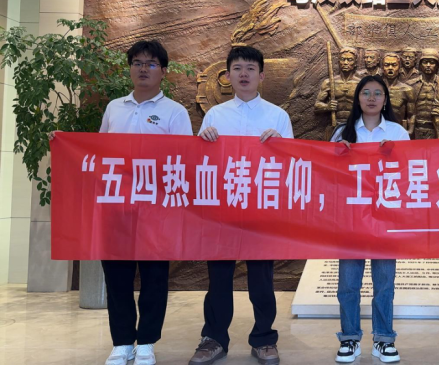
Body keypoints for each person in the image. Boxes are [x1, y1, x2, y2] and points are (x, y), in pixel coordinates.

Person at [49, 40, 192, 366]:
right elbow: (98, 153)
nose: (143, 69)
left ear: (163, 71)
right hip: (116, 207)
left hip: (156, 209)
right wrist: (64, 143)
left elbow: (184, 158)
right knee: (117, 276)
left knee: (155, 277)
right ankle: (123, 342)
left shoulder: (174, 112)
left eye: (151, 64)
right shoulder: (115, 108)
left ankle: (147, 342)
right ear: (129, 69)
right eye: (137, 63)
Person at [189, 46, 293, 366]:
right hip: (223, 208)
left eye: (250, 68)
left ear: (261, 76)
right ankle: (214, 339)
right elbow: (201, 164)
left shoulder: (278, 116)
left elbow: (293, 165)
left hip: (261, 208)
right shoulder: (215, 116)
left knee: (261, 278)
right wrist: (202, 140)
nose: (244, 74)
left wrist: (281, 146)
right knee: (219, 277)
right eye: (237, 68)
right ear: (228, 75)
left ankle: (264, 339)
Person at [331, 75, 410, 364]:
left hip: (385, 218)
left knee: (384, 283)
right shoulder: (343, 132)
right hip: (350, 219)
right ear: (358, 98)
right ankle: (349, 338)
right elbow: (328, 176)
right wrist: (338, 156)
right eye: (366, 93)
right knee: (348, 284)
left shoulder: (398, 133)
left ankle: (384, 339)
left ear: (386, 100)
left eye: (378, 93)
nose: (372, 98)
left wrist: (395, 156)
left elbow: (411, 174)